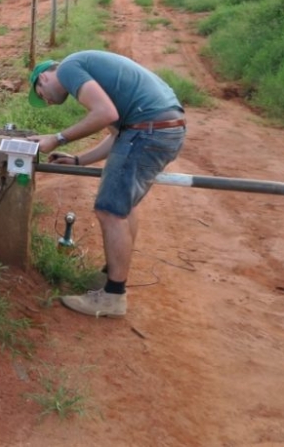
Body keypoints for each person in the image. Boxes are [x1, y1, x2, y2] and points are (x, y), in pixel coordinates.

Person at [27, 50, 186, 317]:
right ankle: (111, 277)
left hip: (149, 129)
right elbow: (117, 133)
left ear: (43, 77)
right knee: (124, 206)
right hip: (164, 127)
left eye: (41, 95)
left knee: (110, 210)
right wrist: (79, 160)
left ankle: (113, 295)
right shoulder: (92, 73)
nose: (47, 102)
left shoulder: (68, 68)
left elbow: (104, 113)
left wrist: (57, 138)